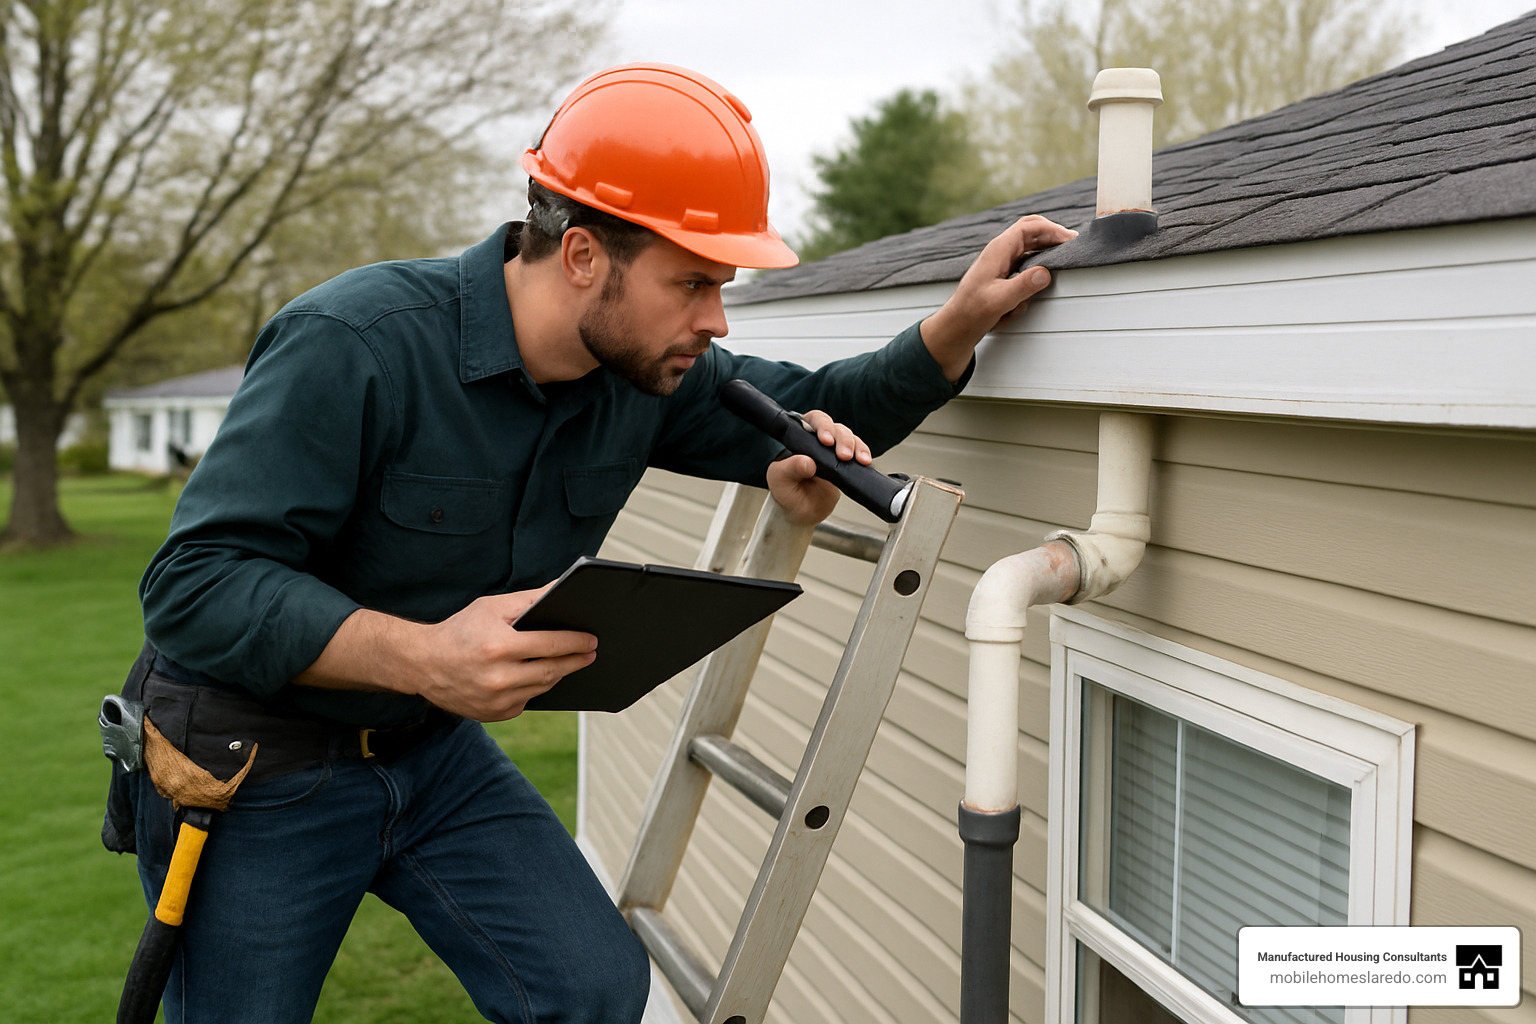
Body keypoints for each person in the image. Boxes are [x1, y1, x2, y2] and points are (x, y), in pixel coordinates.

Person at [119, 64, 1076, 1023]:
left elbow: (827, 409)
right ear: (581, 254)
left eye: (723, 286)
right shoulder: (355, 343)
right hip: (253, 756)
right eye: (693, 283)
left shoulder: (647, 374)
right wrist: (422, 654)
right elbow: (195, 586)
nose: (716, 319)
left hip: (426, 751)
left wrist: (959, 323)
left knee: (592, 989)